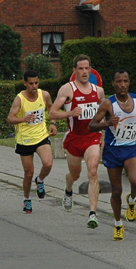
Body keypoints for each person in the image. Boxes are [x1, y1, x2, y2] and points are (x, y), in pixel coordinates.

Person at [88, 69, 136, 241]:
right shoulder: (108, 104)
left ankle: (132, 199)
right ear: (113, 84)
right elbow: (91, 126)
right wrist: (107, 123)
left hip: (132, 148)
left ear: (129, 82)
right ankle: (118, 224)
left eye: (125, 81)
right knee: (116, 191)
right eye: (119, 81)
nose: (122, 85)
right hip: (113, 151)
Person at [49, 54, 105, 229]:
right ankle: (68, 189)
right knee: (75, 175)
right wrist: (70, 114)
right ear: (75, 70)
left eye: (87, 68)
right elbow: (52, 113)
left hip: (91, 138)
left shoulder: (98, 91)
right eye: (80, 68)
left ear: (91, 70)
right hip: (74, 139)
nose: (84, 72)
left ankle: (92, 213)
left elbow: (104, 112)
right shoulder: (67, 90)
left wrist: (103, 128)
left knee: (93, 172)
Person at [7, 70, 58, 213]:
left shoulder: (44, 95)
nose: (34, 86)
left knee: (48, 163)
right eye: (31, 83)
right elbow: (10, 118)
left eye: (36, 83)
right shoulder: (20, 99)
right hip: (25, 140)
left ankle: (40, 180)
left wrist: (52, 123)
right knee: (28, 173)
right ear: (25, 83)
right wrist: (23, 118)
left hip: (41, 136)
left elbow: (51, 108)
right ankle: (27, 199)